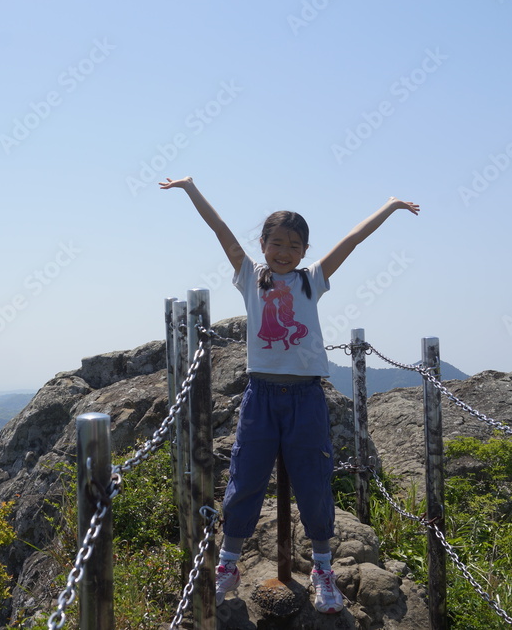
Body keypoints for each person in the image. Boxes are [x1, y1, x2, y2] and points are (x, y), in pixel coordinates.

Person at [160, 176, 419, 613]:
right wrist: (190, 189)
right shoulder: (248, 277)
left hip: (306, 397)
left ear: (304, 251)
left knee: (314, 483)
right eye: (277, 243)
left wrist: (390, 206)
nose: (284, 252)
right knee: (246, 477)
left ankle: (321, 568)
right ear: (263, 244)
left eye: (294, 245)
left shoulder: (310, 280)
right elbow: (221, 231)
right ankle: (228, 563)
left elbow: (351, 241)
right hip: (260, 395)